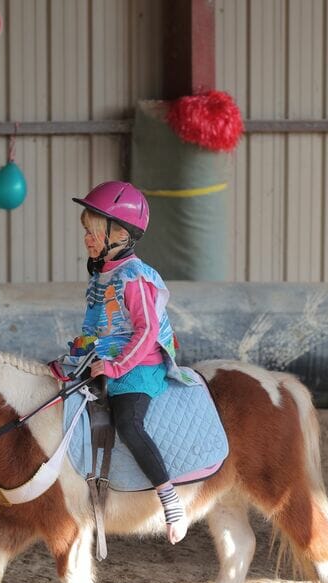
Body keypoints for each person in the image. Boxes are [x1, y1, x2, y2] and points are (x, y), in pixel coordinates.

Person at [71, 181, 188, 545]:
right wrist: (77, 353)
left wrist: (117, 367)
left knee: (128, 423)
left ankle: (169, 497)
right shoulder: (101, 274)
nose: (87, 240)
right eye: (86, 232)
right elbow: (95, 325)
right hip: (108, 358)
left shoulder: (135, 277)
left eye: (93, 232)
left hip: (140, 363)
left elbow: (148, 329)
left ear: (120, 233)